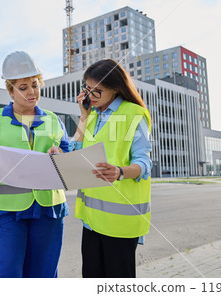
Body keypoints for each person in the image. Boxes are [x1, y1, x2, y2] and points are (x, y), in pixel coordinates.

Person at [0, 51, 70, 278]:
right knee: (8, 272)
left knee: (44, 273)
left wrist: (60, 153)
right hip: (7, 211)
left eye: (34, 85)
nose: (31, 92)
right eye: (23, 88)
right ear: (10, 91)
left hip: (49, 210)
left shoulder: (54, 120)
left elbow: (67, 156)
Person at [70, 59, 152, 278]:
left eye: (97, 91)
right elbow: (76, 148)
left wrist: (120, 172)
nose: (90, 96)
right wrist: (84, 115)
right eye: (87, 90)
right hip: (91, 220)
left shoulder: (134, 114)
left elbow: (144, 163)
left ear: (116, 88)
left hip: (120, 222)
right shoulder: (92, 115)